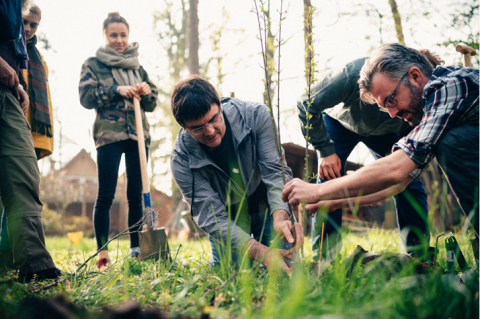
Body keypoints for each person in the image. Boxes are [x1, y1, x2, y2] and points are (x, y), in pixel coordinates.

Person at [283, 43, 478, 261]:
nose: (392, 114)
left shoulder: (448, 90)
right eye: (384, 106)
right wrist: (335, 196)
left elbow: (398, 171)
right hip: (341, 125)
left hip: (394, 136)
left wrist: (317, 192)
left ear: (415, 76)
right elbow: (398, 181)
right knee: (331, 176)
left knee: (446, 147)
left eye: (391, 100)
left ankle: (420, 253)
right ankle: (325, 256)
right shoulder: (351, 77)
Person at [170, 75, 303, 273]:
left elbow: (276, 173)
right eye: (197, 128)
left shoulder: (257, 116)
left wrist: (281, 218)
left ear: (220, 106)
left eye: (213, 119)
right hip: (226, 217)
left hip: (265, 203)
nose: (209, 131)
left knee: (286, 270)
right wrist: (260, 252)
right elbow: (210, 215)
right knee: (230, 273)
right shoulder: (181, 160)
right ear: (184, 127)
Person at [79, 12, 158, 268]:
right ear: (105, 35)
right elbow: (86, 97)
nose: (119, 40)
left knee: (135, 195)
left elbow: (153, 102)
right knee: (106, 195)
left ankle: (136, 249)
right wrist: (116, 90)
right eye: (114, 35)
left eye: (123, 35)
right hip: (109, 136)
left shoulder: (137, 67)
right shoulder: (93, 65)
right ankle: (103, 254)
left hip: (138, 136)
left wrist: (146, 90)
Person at [0, 0, 60, 282]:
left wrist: (19, 85)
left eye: (33, 24)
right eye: (26, 22)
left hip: (9, 94)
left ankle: (34, 263)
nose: (28, 28)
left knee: (23, 177)